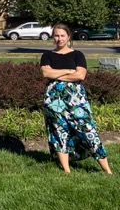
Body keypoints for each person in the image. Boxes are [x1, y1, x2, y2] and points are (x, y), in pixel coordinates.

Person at [40, 23, 112, 175]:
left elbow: (80, 75)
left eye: (62, 35)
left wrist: (57, 74)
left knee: (88, 129)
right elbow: (46, 73)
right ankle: (67, 171)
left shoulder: (77, 55)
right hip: (53, 100)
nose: (59, 39)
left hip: (76, 100)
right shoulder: (47, 55)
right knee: (59, 131)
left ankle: (107, 170)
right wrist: (68, 71)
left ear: (68, 36)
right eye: (56, 35)